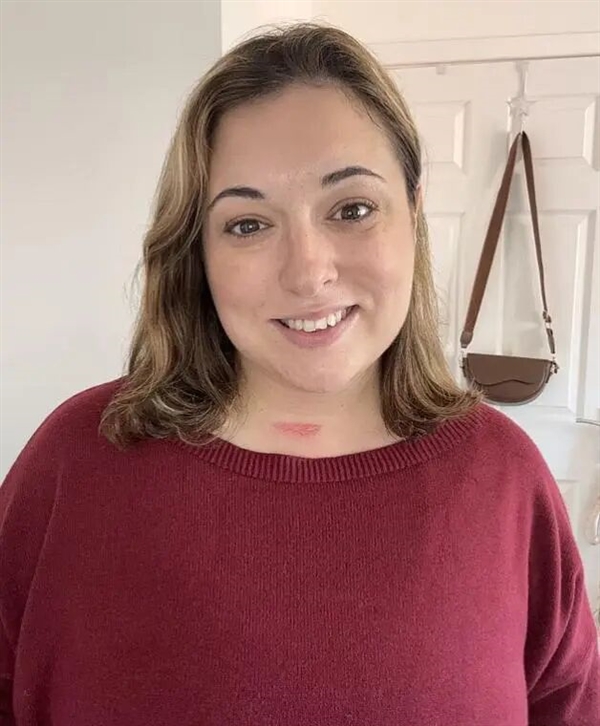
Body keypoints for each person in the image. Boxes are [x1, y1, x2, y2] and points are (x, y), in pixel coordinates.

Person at [0, 21, 598, 726]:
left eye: (353, 209)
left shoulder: (504, 478)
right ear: (197, 250)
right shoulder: (78, 461)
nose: (308, 273)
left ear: (412, 211)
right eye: (248, 224)